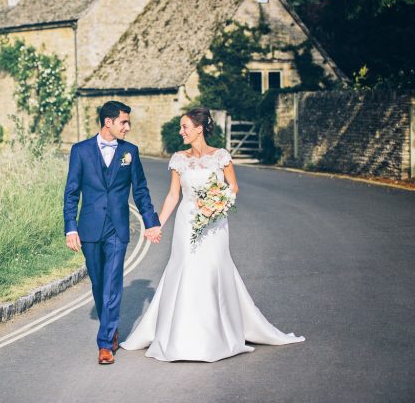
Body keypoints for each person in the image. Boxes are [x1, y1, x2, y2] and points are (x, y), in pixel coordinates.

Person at [120, 107, 305, 361]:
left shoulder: (220, 156)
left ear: (199, 129)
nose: (180, 131)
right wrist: (157, 224)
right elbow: (174, 195)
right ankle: (181, 336)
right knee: (185, 268)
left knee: (211, 270)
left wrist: (217, 205)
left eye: (184, 127)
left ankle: (216, 334)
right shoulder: (179, 159)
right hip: (187, 223)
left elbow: (233, 187)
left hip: (214, 223)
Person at [63, 100, 162, 365]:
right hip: (90, 227)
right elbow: (71, 192)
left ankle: (105, 344)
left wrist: (151, 221)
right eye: (124, 122)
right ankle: (111, 326)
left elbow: (140, 190)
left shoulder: (131, 152)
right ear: (108, 122)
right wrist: (70, 227)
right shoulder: (80, 151)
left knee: (113, 283)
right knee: (98, 283)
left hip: (118, 228)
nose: (128, 128)